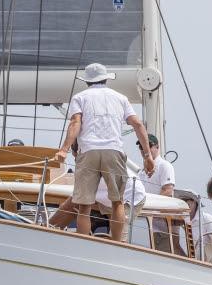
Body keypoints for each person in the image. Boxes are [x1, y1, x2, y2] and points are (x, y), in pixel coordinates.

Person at [54, 63, 155, 241]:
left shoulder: (79, 97)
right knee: (117, 202)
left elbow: (75, 123)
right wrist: (147, 157)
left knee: (84, 206)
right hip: (113, 151)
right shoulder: (121, 98)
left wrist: (64, 150)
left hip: (89, 151)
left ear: (86, 82)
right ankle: (116, 244)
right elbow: (138, 125)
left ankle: (83, 243)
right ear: (106, 79)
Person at [49, 174, 146, 242]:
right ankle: (53, 230)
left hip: (130, 196)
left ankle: (115, 252)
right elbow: (69, 205)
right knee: (77, 204)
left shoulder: (89, 170)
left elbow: (72, 203)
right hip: (106, 195)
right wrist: (47, 228)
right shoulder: (88, 166)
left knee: (118, 241)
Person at [135, 134, 177, 253]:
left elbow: (168, 191)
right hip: (144, 228)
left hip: (160, 230)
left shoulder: (165, 166)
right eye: (142, 147)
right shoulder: (141, 173)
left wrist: (146, 210)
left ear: (157, 147)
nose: (144, 149)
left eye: (148, 146)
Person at [180, 191, 212, 266]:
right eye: (182, 200)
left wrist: (207, 262)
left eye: (186, 200)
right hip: (188, 262)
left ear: (194, 202)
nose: (183, 202)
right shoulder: (179, 220)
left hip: (204, 259)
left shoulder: (206, 218)